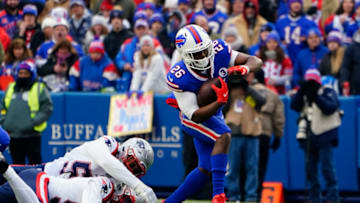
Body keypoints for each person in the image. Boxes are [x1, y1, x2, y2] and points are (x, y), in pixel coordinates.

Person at [164, 24, 262, 203]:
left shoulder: (219, 51)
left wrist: (244, 68)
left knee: (205, 168)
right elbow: (195, 115)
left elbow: (256, 60)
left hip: (215, 111)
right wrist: (219, 101)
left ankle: (170, 201)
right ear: (185, 55)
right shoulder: (179, 75)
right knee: (223, 136)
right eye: (198, 54)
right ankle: (219, 195)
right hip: (192, 117)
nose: (204, 56)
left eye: (206, 50)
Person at [0, 135, 158, 203]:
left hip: (47, 191)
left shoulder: (117, 184)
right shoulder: (109, 145)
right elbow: (105, 161)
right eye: (131, 164)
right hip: (42, 175)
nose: (130, 171)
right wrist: (138, 185)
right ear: (125, 150)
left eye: (136, 171)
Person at [290, 68, 341, 203]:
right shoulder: (305, 93)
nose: (311, 84)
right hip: (309, 137)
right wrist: (302, 90)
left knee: (327, 168)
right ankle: (314, 198)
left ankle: (332, 198)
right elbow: (294, 106)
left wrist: (316, 97)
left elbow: (330, 107)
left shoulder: (327, 91)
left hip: (325, 134)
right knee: (310, 170)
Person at [223, 73, 266, 202]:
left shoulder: (254, 90)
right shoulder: (230, 91)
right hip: (233, 134)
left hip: (251, 134)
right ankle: (233, 195)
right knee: (233, 168)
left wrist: (246, 88)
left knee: (252, 167)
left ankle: (251, 196)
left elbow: (262, 101)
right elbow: (223, 108)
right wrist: (229, 87)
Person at [0, 60, 53, 165]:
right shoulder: (11, 87)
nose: (23, 76)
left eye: (26, 73)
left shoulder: (39, 88)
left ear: (31, 74)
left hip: (32, 135)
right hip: (13, 135)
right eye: (20, 73)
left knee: (35, 165)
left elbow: (47, 108)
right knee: (17, 165)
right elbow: (2, 107)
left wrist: (33, 122)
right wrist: (4, 121)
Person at [252, 69, 285, 199]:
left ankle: (242, 197)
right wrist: (278, 136)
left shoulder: (244, 92)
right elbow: (279, 119)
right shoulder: (272, 94)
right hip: (264, 133)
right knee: (261, 167)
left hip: (247, 133)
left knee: (245, 167)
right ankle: (256, 196)